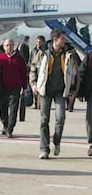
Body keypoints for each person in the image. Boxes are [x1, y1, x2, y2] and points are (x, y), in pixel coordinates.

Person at [29, 29, 79, 159]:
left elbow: (74, 73)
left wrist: (73, 91)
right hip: (45, 91)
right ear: (55, 39)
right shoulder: (43, 53)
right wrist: (33, 84)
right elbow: (33, 68)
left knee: (60, 118)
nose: (64, 41)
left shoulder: (69, 54)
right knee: (44, 120)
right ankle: (44, 149)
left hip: (61, 92)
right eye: (62, 38)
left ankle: (56, 141)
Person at [0, 38, 27, 138]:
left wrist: (25, 87)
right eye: (7, 45)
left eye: (11, 45)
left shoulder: (19, 58)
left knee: (13, 109)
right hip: (2, 88)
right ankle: (5, 124)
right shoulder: (0, 58)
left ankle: (10, 129)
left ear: (14, 46)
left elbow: (24, 74)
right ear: (3, 47)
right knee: (2, 108)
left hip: (15, 88)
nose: (9, 47)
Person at [78, 51, 92, 156]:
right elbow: (81, 73)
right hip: (91, 93)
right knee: (90, 118)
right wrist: (79, 92)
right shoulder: (90, 56)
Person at [29, 35, 46, 109]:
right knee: (34, 88)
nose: (38, 43)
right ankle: (36, 104)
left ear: (43, 42)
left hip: (41, 71)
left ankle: (41, 104)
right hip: (34, 70)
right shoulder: (33, 50)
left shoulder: (45, 51)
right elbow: (31, 60)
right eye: (37, 42)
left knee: (42, 89)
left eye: (40, 42)